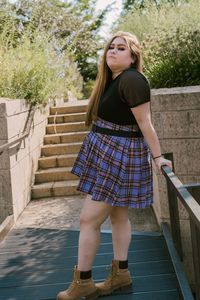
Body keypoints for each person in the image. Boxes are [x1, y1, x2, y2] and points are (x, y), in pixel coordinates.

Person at [56, 31, 172, 300]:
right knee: (118, 216)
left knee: (88, 220)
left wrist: (158, 157)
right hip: (110, 152)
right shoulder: (114, 80)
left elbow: (145, 123)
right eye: (111, 47)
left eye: (121, 48)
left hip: (119, 155)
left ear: (133, 58)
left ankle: (83, 282)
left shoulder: (132, 79)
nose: (113, 51)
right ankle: (121, 275)